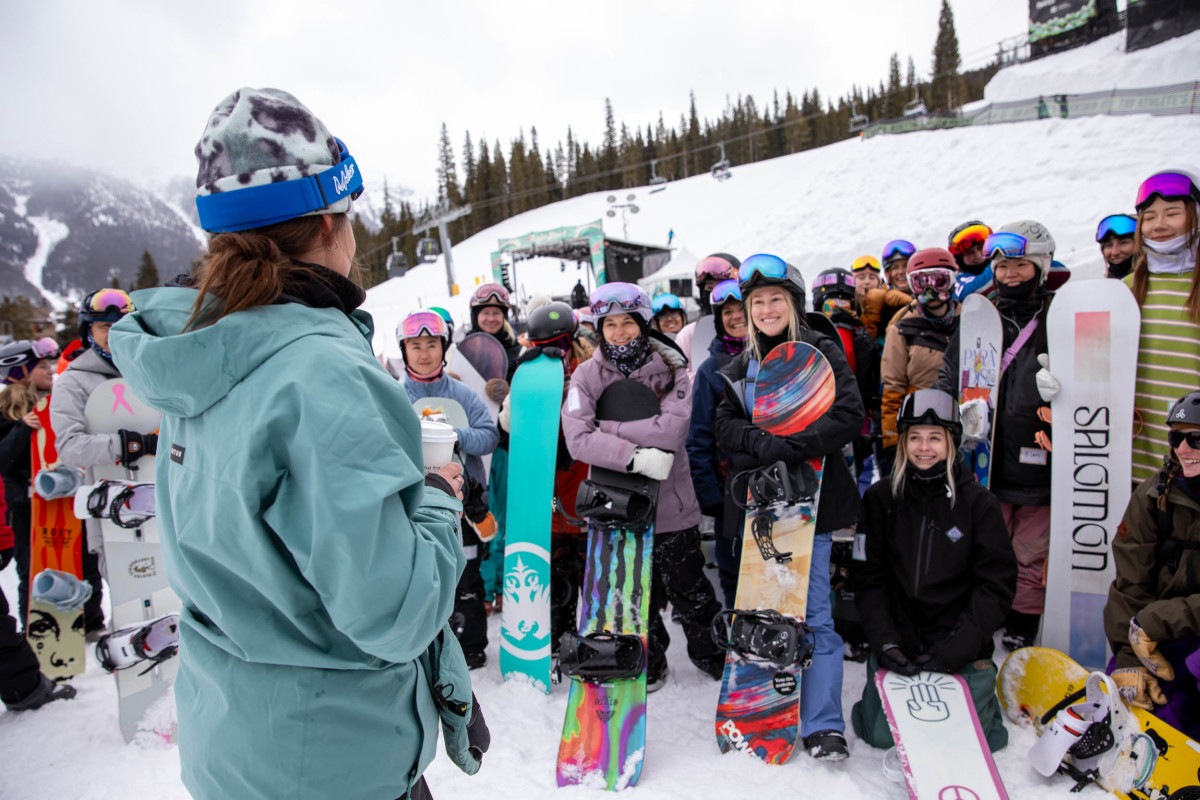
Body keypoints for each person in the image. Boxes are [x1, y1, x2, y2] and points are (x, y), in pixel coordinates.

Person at [107, 87, 486, 800]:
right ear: (327, 223)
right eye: (351, 218)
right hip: (338, 762)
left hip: (236, 746)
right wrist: (437, 499)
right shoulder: (320, 373)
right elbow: (397, 613)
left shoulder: (199, 357)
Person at [712, 255, 865, 760]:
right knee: (765, 607)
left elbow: (850, 414)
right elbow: (723, 425)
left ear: (794, 304)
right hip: (763, 503)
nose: (766, 308)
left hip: (812, 502)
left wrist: (795, 445)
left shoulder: (821, 349)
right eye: (757, 302)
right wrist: (761, 443)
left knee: (815, 612)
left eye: (776, 299)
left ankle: (823, 723)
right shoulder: (741, 365)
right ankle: (760, 707)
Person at [561, 282, 725, 689]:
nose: (619, 332)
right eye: (610, 324)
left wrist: (609, 429)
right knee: (636, 592)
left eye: (628, 323)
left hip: (672, 501)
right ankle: (651, 660)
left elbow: (671, 431)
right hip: (617, 501)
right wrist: (632, 456)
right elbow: (577, 440)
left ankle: (709, 654)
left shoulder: (672, 368)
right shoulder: (587, 375)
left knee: (689, 587)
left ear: (643, 323)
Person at [851, 390, 1016, 752]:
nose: (924, 448)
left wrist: (954, 650)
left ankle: (982, 699)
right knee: (881, 737)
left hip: (958, 648)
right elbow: (869, 579)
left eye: (935, 438)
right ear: (903, 443)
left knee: (975, 740)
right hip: (900, 647)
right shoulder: (881, 500)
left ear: (952, 443)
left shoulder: (979, 505)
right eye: (915, 438)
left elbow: (995, 588)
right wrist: (886, 643)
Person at [937, 220, 1058, 651]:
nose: (1009, 274)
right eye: (1002, 265)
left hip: (1037, 451)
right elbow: (950, 370)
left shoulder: (1058, 316)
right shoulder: (978, 313)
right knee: (986, 542)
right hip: (983, 452)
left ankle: (1024, 616)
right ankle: (987, 609)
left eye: (1020, 265)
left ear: (1040, 267)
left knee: (1031, 548)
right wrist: (953, 409)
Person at [398, 309, 499, 670]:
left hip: (463, 501)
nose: (424, 353)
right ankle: (428, 641)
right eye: (415, 346)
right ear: (404, 349)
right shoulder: (395, 394)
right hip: (414, 505)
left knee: (466, 575)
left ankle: (471, 643)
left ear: (444, 348)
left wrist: (454, 434)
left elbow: (490, 436)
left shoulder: (462, 394)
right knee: (423, 574)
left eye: (431, 345)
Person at [1104, 390, 1200, 738]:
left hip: (1172, 628)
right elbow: (1131, 584)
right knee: (1138, 705)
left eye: (1196, 438)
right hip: (1153, 634)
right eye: (1176, 437)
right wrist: (1129, 656)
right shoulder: (1152, 496)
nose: (1183, 449)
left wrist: (1155, 621)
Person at [500, 301, 596, 648]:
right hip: (548, 489)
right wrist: (521, 387)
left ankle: (596, 638)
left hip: (584, 487)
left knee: (592, 575)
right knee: (558, 576)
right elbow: (508, 424)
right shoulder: (529, 375)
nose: (552, 352)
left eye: (559, 344)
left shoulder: (588, 371)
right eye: (543, 346)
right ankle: (558, 638)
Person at [49, 288, 140, 641]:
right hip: (110, 504)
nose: (114, 333)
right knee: (128, 585)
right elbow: (69, 446)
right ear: (88, 332)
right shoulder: (73, 381)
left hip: (163, 496)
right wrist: (126, 445)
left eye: (122, 324)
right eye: (104, 326)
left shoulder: (150, 371)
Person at [1124, 171, 1200, 485]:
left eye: (1172, 213)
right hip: (1136, 451)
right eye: (1149, 217)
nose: (1159, 225)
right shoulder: (1128, 288)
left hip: (1191, 447)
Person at [687, 278, 749, 608]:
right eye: (728, 312)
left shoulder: (780, 357)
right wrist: (710, 495)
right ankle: (740, 635)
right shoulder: (711, 369)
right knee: (733, 570)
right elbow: (698, 437)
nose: (736, 316)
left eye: (742, 309)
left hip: (778, 485)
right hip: (732, 491)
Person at [880, 249, 960, 473]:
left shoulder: (971, 319)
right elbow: (893, 385)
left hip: (965, 417)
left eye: (939, 281)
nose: (930, 290)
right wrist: (892, 438)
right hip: (925, 425)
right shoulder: (903, 328)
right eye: (921, 282)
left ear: (952, 280)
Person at [0, 337, 60, 628]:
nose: (51, 371)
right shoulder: (6, 412)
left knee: (70, 563)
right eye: (44, 366)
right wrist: (22, 429)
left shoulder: (57, 402)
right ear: (20, 372)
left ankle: (86, 622)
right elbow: (2, 461)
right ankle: (33, 627)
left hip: (59, 498)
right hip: (23, 507)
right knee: (32, 569)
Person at [674, 252, 740, 378]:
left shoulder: (755, 328)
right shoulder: (690, 333)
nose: (715, 297)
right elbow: (679, 376)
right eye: (709, 289)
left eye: (723, 288)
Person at [468, 283, 521, 381]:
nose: (491, 319)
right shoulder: (464, 350)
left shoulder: (518, 351)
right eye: (485, 313)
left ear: (504, 317)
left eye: (496, 313)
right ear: (476, 317)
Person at [948, 220, 994, 301]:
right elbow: (966, 292)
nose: (978, 255)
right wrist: (997, 263)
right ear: (960, 259)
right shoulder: (958, 279)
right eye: (970, 253)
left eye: (981, 248)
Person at [1096, 213, 1138, 280]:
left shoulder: (1154, 280)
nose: (1115, 252)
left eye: (1123, 243)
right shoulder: (1108, 285)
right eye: (1109, 245)